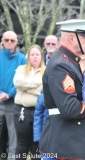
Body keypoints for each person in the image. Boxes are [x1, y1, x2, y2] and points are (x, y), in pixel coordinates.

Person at [38, 18, 85, 160]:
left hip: (70, 143)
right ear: (71, 38)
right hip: (65, 145)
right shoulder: (61, 65)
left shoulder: (69, 62)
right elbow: (70, 108)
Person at [13, 44, 45, 160]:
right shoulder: (21, 69)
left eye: (37, 54)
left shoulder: (46, 71)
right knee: (22, 143)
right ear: (28, 57)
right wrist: (38, 83)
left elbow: (45, 90)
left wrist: (27, 88)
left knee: (36, 143)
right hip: (22, 110)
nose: (35, 57)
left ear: (41, 56)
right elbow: (18, 83)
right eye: (32, 55)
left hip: (40, 112)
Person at [0, 31, 27, 160]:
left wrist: (9, 93)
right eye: (7, 40)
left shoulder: (22, 59)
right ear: (2, 41)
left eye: (12, 40)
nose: (9, 42)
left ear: (17, 42)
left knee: (13, 138)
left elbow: (22, 80)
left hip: (13, 103)